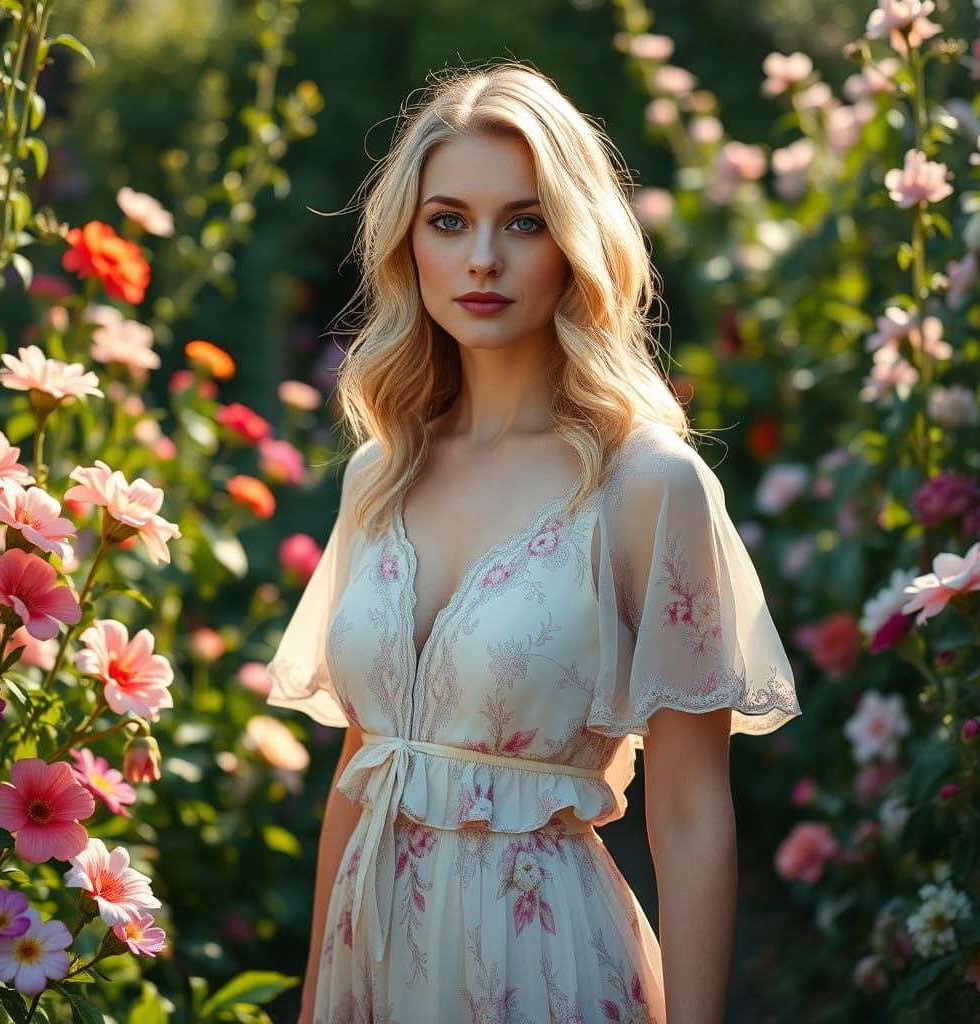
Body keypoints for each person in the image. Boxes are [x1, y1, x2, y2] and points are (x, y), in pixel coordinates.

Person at [266, 61, 802, 1024]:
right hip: (369, 967)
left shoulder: (647, 487)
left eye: (523, 221)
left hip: (540, 965)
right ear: (408, 246)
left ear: (574, 244)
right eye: (448, 220)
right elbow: (366, 763)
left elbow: (688, 813)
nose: (482, 258)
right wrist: (315, 1004)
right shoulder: (378, 476)